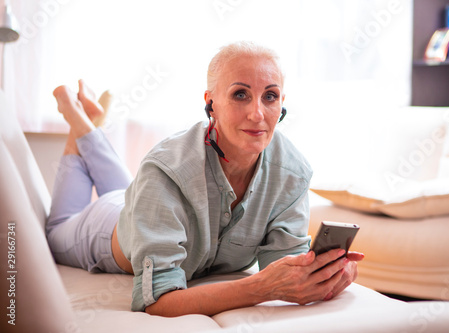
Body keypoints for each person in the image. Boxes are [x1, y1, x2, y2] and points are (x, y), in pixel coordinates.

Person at [46, 41, 364, 317]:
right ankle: (76, 118)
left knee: (128, 187)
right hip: (106, 225)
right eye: (240, 94)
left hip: (142, 203)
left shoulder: (291, 173)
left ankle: (88, 120)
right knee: (56, 228)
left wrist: (328, 272)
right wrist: (261, 288)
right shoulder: (166, 171)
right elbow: (157, 302)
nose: (257, 114)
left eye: (270, 96)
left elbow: (285, 264)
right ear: (211, 103)